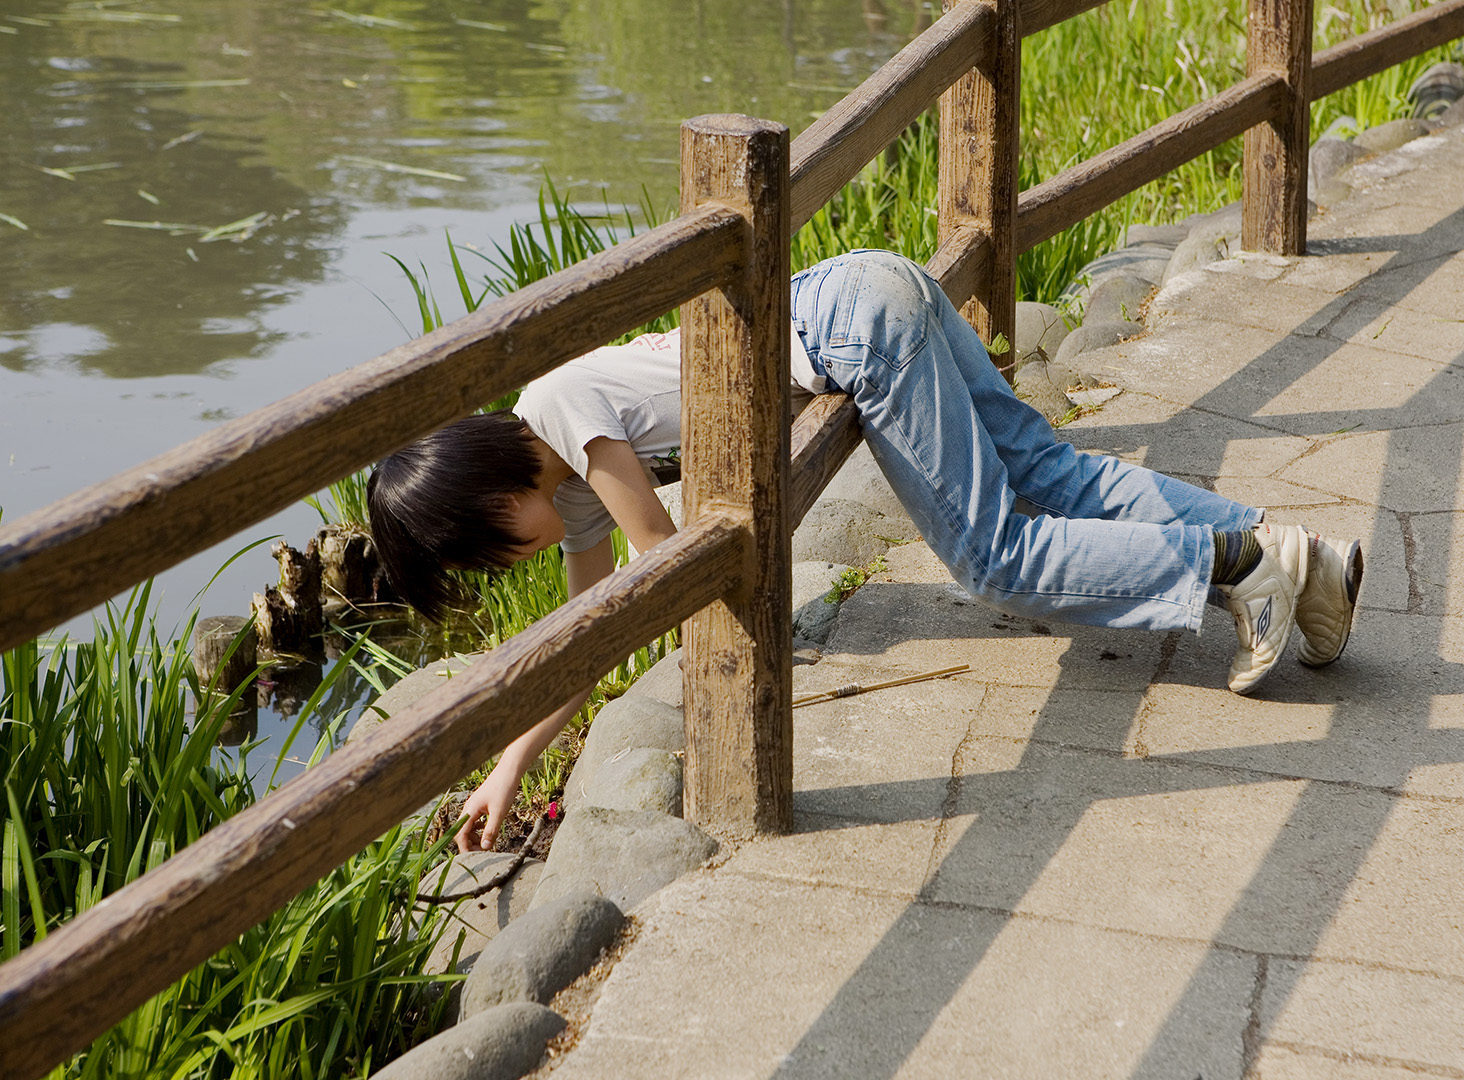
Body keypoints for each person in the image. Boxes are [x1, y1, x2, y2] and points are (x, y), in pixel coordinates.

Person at [369, 249, 1364, 852]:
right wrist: (511, 767)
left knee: (993, 558)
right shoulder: (573, 483)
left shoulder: (556, 406)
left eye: (482, 553)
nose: (502, 569)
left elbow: (660, 554)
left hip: (850, 325)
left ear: (492, 497)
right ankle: (1298, 557)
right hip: (870, 293)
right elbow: (586, 633)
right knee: (1053, 483)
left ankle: (1236, 570)